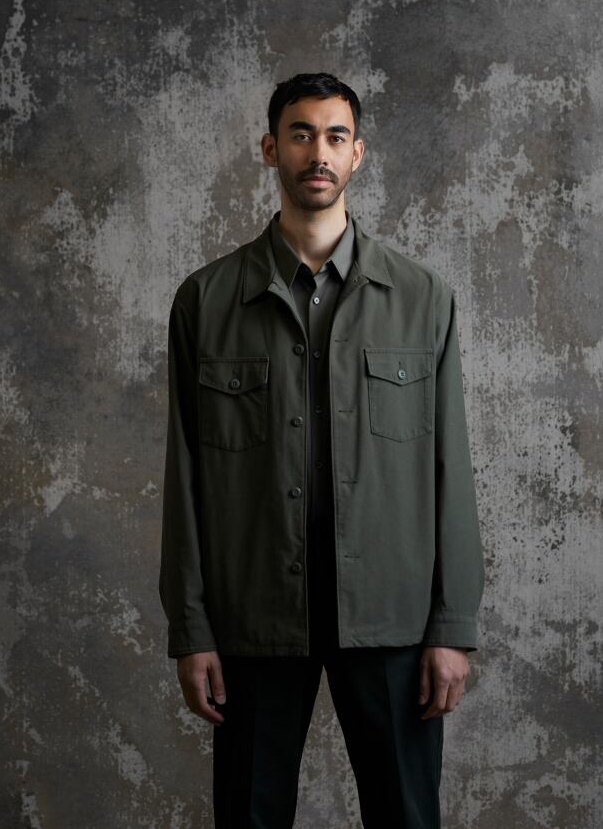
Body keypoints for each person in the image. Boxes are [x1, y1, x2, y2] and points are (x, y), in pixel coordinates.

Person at [159, 72, 485, 829]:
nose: (319, 151)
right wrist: (192, 627)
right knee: (249, 815)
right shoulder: (204, 302)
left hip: (393, 619)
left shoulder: (422, 296)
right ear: (271, 147)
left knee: (407, 816)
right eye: (301, 132)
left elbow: (451, 470)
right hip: (253, 618)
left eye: (336, 135)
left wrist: (452, 625)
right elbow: (185, 477)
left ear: (358, 154)